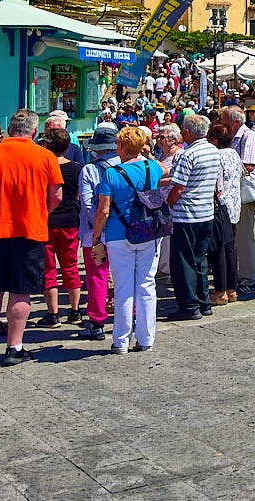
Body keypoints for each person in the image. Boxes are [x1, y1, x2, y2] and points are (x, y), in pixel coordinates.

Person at [0, 108, 63, 366]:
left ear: (9, 131)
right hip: (29, 230)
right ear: (34, 131)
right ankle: (14, 347)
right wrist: (40, 210)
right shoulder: (45, 156)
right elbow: (57, 197)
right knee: (21, 293)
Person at [93, 126, 163, 354]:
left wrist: (96, 238)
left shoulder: (112, 173)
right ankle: (146, 338)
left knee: (124, 288)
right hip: (148, 231)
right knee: (146, 285)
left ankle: (121, 340)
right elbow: (162, 171)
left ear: (121, 146)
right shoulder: (152, 167)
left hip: (118, 233)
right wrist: (147, 153)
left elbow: (103, 210)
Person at [162, 113, 221, 321]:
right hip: (205, 213)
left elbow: (179, 187)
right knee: (199, 260)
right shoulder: (213, 151)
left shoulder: (189, 155)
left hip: (186, 215)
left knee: (183, 262)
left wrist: (167, 203)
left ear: (187, 132)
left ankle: (189, 305)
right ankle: (203, 301)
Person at [76, 124, 120, 341]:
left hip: (95, 233)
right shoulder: (128, 166)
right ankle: (128, 319)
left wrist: (97, 229)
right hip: (123, 233)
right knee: (125, 276)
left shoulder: (89, 170)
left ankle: (96, 323)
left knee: (96, 277)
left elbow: (87, 204)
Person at [37, 125, 83, 327]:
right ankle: (75, 310)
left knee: (48, 269)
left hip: (46, 220)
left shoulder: (42, 167)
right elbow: (78, 195)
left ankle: (53, 313)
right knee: (70, 266)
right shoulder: (75, 168)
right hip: (70, 220)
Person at [207, 116, 243, 307]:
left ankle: (220, 290)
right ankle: (232, 288)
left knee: (218, 249)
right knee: (230, 248)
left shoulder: (217, 156)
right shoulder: (234, 154)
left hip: (220, 205)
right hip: (234, 205)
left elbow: (217, 183)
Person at [228, 106, 255, 296]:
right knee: (237, 236)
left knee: (244, 235)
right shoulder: (235, 137)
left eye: (225, 121)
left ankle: (249, 277)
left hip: (245, 192)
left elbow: (249, 165)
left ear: (234, 121)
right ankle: (242, 274)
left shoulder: (247, 136)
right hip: (236, 192)